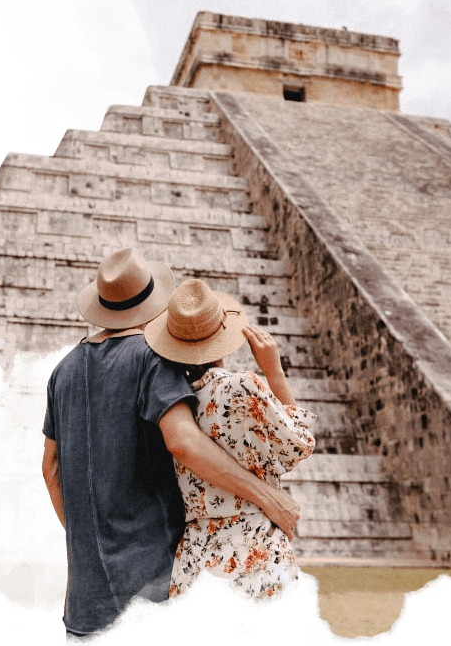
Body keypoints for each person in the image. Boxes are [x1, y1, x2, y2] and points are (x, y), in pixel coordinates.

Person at [42, 249, 302, 643]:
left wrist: (90, 550)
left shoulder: (63, 370)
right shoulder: (152, 356)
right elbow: (182, 442)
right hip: (155, 581)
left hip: (86, 597)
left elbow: (51, 468)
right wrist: (268, 497)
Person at [144, 277, 316, 614]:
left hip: (195, 550)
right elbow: (299, 445)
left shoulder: (172, 403)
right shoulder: (243, 388)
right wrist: (274, 373)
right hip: (254, 545)